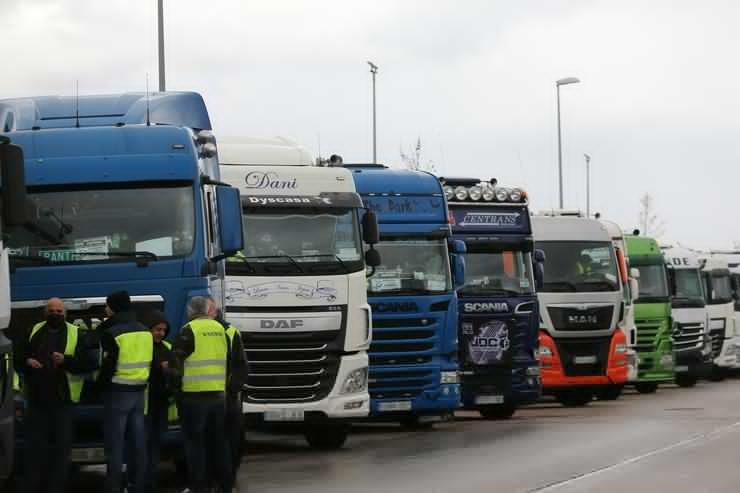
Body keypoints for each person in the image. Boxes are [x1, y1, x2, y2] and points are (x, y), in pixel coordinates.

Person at [15, 298, 91, 493]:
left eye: (59, 311)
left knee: (61, 450)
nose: (55, 314)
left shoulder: (77, 333)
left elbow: (88, 364)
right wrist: (27, 361)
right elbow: (18, 357)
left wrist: (66, 361)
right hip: (36, 400)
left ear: (65, 314)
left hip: (63, 402)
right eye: (52, 310)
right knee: (34, 449)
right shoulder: (33, 330)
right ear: (45, 312)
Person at [173, 296, 232, 493]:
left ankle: (199, 487)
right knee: (219, 444)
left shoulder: (188, 330)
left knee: (195, 445)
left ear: (191, 311)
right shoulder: (222, 330)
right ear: (208, 310)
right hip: (218, 395)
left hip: (194, 396)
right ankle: (225, 486)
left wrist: (172, 383)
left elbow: (176, 362)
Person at [98, 291, 153, 493]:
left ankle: (113, 487)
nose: (105, 309)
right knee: (138, 442)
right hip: (140, 391)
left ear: (113, 308)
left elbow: (108, 366)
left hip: (118, 391)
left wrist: (99, 386)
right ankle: (137, 485)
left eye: (107, 306)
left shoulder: (113, 333)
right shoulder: (145, 331)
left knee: (115, 444)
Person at [139, 310, 176, 493]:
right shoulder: (143, 347)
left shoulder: (168, 347)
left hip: (161, 403)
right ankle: (141, 482)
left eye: (163, 330)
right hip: (145, 404)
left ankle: (151, 482)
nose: (160, 333)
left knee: (155, 445)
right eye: (157, 329)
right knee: (142, 445)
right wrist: (158, 367)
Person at [215, 310, 248, 488]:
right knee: (231, 439)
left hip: (215, 396)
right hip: (228, 396)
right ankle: (228, 479)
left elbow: (240, 367)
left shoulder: (192, 330)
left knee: (222, 439)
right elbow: (242, 367)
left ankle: (223, 479)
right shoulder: (231, 331)